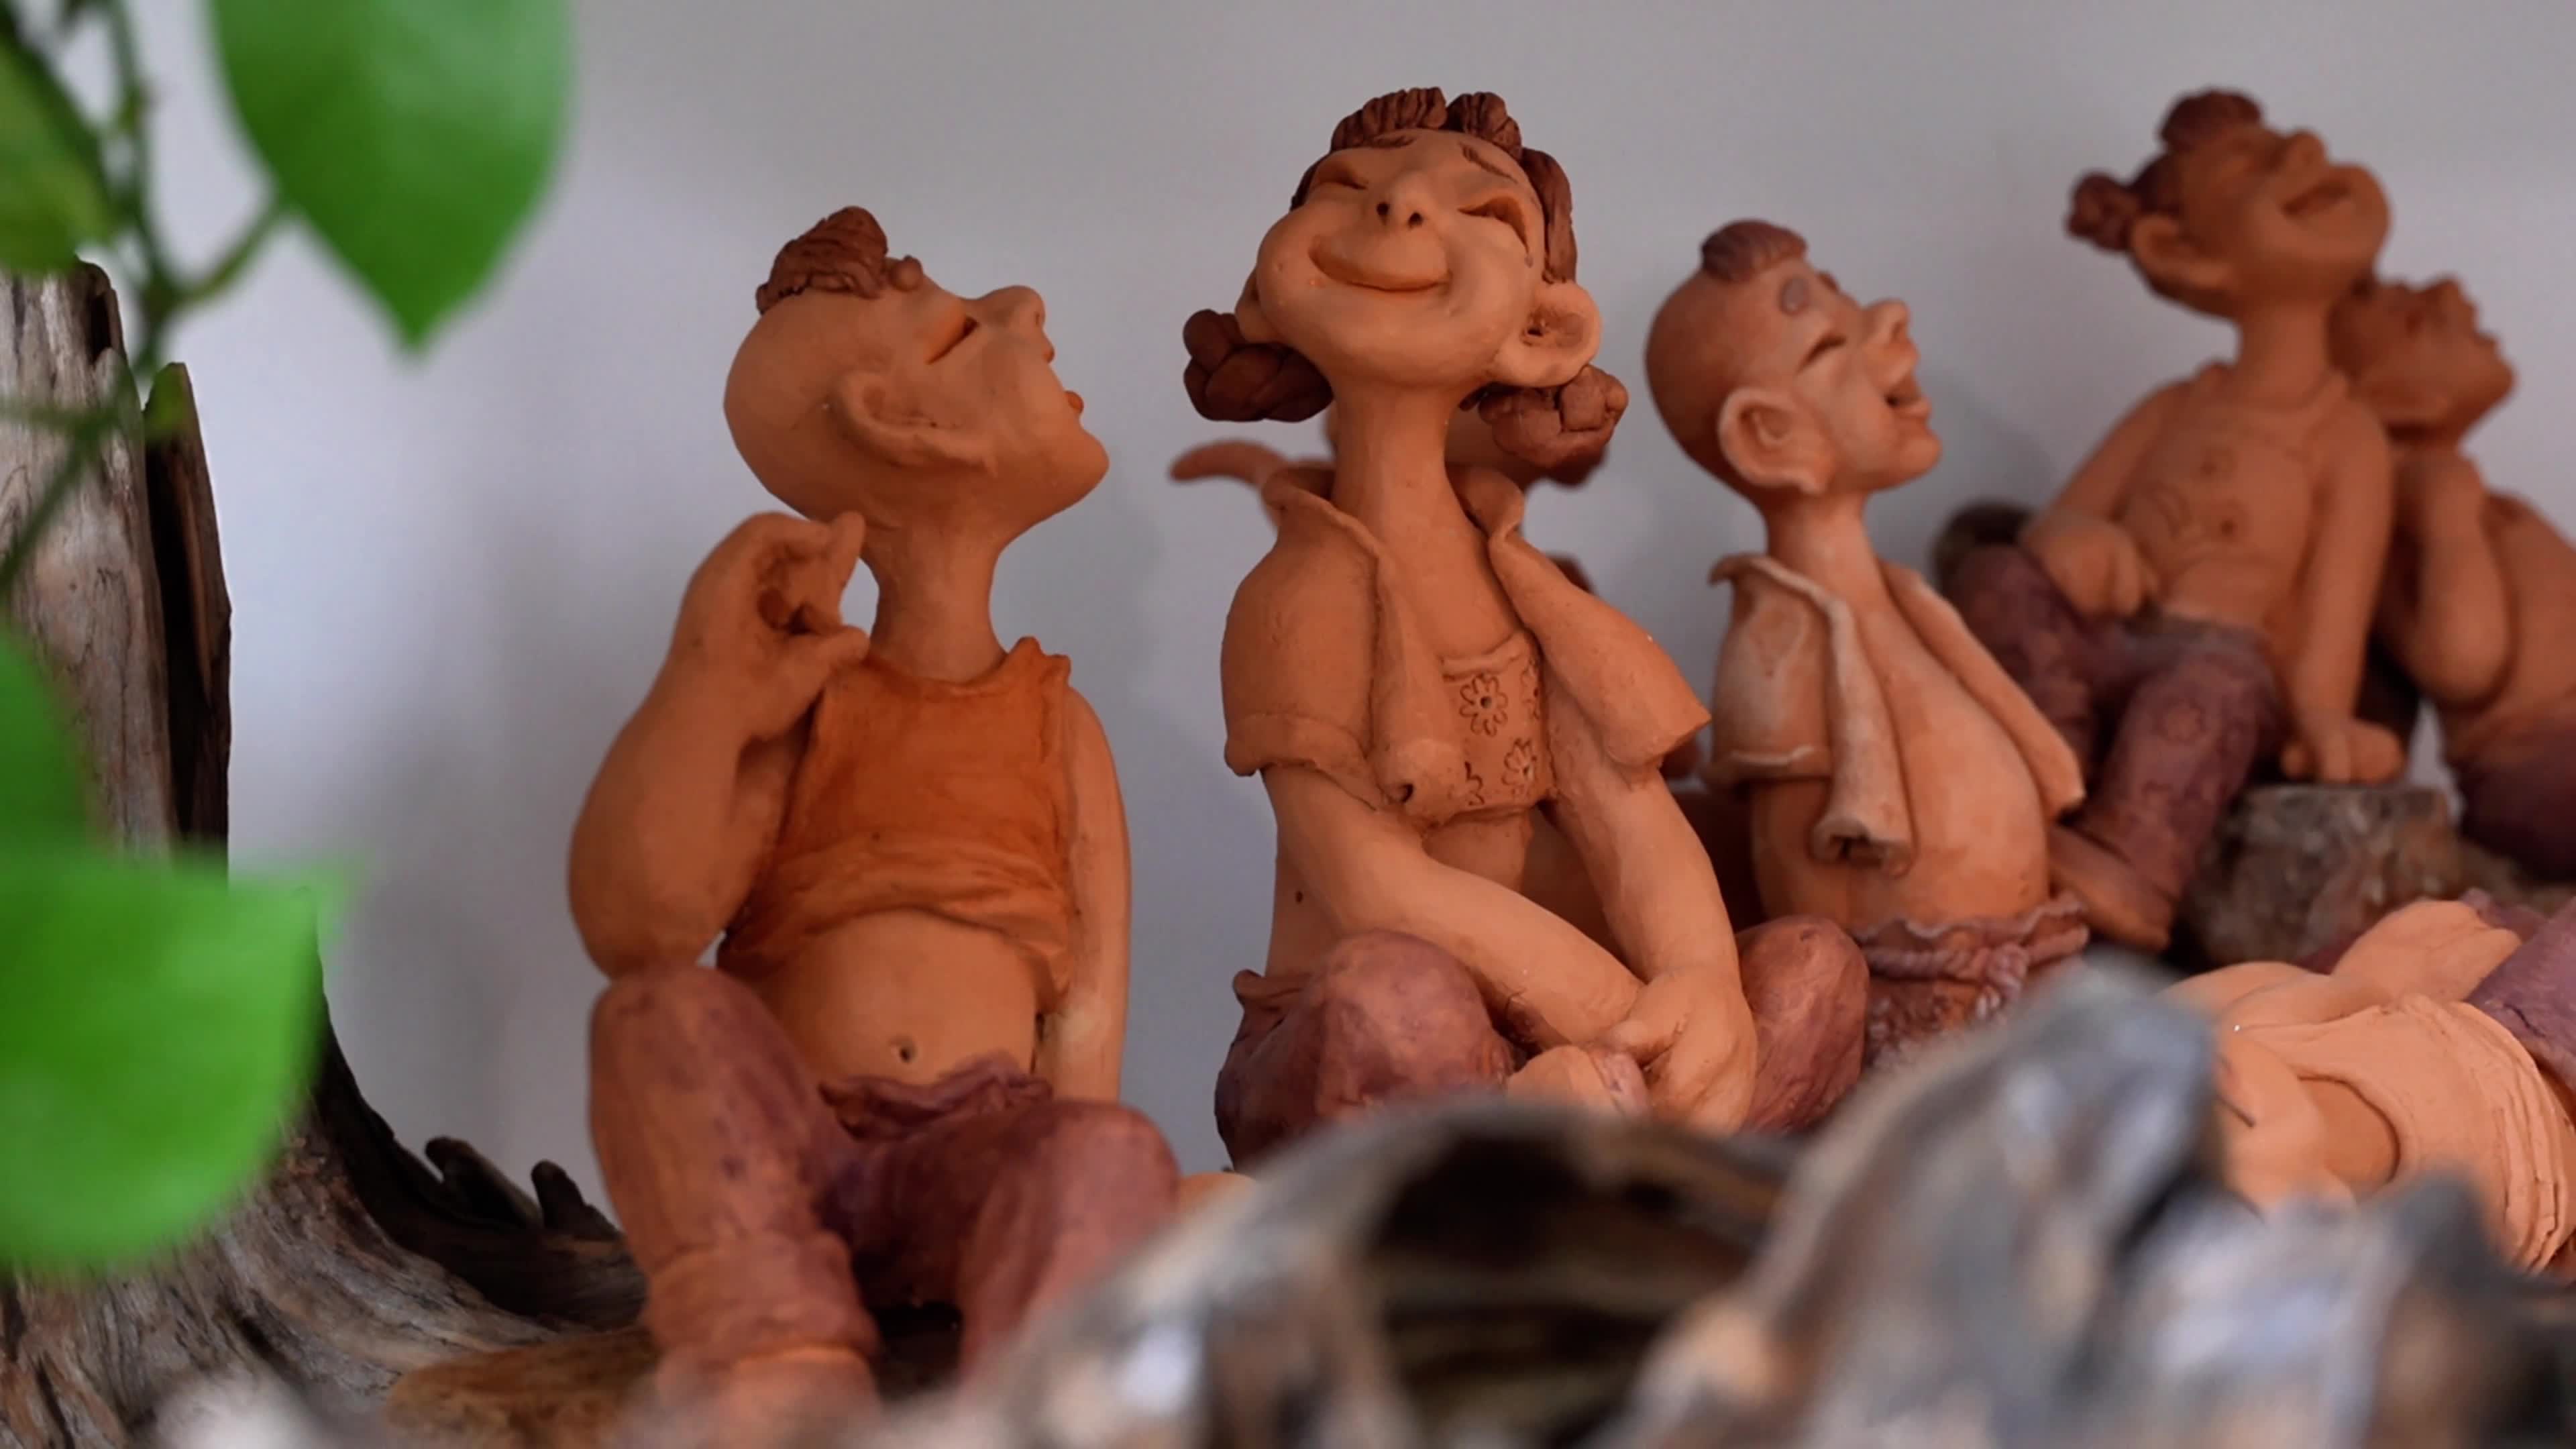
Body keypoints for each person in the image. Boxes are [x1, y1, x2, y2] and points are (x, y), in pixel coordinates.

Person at [568, 209, 1179, 1428]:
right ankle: (775, 1351)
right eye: (962, 333)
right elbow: (638, 925)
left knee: (1108, 1152)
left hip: (978, 1160)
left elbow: (1087, 1014)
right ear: (901, 422)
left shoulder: (1058, 728)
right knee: (654, 1021)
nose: (1025, 308)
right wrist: (707, 683)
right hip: (787, 1154)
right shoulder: (802, 705)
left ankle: (1032, 1404)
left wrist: (1076, 1197)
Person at [1183, 87, 1866, 1165]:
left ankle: (1598, 1150)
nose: (1401, 205)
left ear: (1547, 334)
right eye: (1347, 190)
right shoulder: (1293, 597)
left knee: (1814, 971)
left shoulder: (1530, 590)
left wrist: (1697, 987)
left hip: (1568, 1035)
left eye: (1480, 211)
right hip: (1359, 1042)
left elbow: (1628, 813)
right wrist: (1614, 1020)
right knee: (1394, 996)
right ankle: (1585, 1151)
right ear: (1264, 298)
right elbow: (1377, 888)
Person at [1947, 90, 2402, 950]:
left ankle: (2136, 860)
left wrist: (2322, 718)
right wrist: (2075, 538)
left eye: (2286, 144)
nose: (2304, 150)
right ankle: (2052, 769)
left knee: (2208, 693)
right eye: (2251, 168)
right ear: (2180, 253)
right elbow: (2063, 521)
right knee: (1996, 575)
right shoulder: (2175, 406)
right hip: (2113, 639)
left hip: (2227, 665)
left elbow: (2337, 605)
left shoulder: (2346, 437)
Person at [1646, 221, 2088, 1062]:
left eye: (1850, 305)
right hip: (1913, 1006)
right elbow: (1800, 871)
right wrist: (1852, 1010)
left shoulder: (1905, 600)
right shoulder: (1782, 638)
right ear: (1770, 436)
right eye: (1829, 343)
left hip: (2017, 977)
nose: (1888, 317)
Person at [2330, 274, 2576, 880]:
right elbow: (2464, 664)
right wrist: (2449, 525)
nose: (2451, 291)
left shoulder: (2487, 506)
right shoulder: (2397, 524)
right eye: (2416, 322)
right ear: (2401, 402)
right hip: (2541, 770)